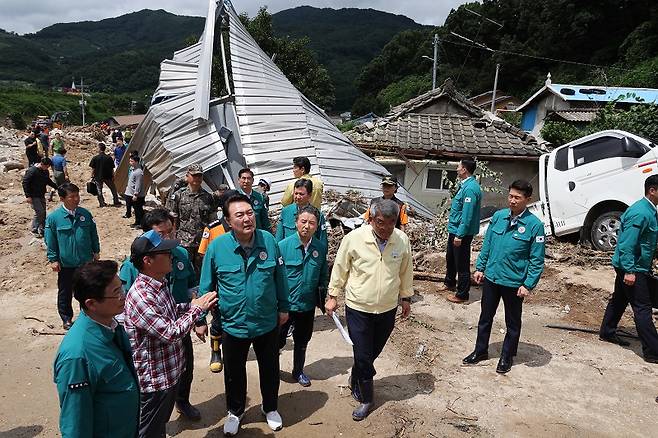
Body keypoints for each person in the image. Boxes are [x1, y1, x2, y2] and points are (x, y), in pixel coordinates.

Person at [199, 193, 290, 436]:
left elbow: (279, 278)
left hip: (266, 321)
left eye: (250, 213)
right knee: (234, 372)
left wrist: (284, 307)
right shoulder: (218, 246)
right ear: (228, 221)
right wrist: (199, 319)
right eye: (239, 215)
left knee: (270, 368)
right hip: (233, 323)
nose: (247, 218)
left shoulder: (268, 241)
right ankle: (235, 412)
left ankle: (270, 408)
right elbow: (206, 285)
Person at [123, 230, 217, 438]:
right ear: (147, 261)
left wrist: (191, 305)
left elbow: (170, 312)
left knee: (159, 428)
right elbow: (170, 332)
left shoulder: (159, 283)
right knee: (149, 432)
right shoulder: (142, 295)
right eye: (165, 253)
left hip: (169, 373)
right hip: (155, 381)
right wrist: (197, 310)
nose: (171, 256)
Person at [325, 198, 413, 421]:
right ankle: (367, 399)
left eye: (392, 222)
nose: (386, 228)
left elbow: (405, 271)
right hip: (358, 307)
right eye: (381, 222)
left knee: (371, 353)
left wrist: (406, 297)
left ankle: (357, 375)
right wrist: (333, 295)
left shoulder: (401, 240)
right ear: (372, 219)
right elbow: (340, 267)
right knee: (364, 355)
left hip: (386, 308)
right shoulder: (354, 238)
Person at [119, 209, 202, 420]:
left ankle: (182, 402)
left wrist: (198, 317)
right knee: (153, 403)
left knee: (185, 368)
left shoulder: (180, 254)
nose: (167, 237)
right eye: (161, 234)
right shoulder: (132, 268)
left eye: (169, 232)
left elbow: (192, 287)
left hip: (181, 323)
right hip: (153, 341)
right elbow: (124, 307)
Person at [463, 180, 545, 374]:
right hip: (492, 278)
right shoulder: (499, 217)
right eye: (510, 196)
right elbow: (487, 245)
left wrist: (528, 284)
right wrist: (480, 267)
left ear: (528, 199)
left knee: (512, 322)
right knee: (485, 317)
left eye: (517, 197)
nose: (512, 201)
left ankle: (507, 356)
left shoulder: (535, 226)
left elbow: (537, 259)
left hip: (514, 282)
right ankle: (480, 350)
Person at [53, 260, 139, 438]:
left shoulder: (111, 326)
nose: (123, 296)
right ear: (91, 304)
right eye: (116, 293)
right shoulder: (77, 356)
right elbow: (75, 424)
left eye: (121, 288)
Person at [599, 175, 658, 363]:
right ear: (652, 190)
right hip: (632, 267)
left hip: (634, 265)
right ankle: (652, 351)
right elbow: (626, 245)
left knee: (620, 298)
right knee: (642, 307)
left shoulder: (649, 210)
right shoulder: (641, 212)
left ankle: (607, 331)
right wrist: (630, 271)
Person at [278, 205, 329, 387]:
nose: (307, 226)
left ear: (317, 226)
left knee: (302, 341)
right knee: (277, 341)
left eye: (312, 223)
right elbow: (274, 277)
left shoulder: (320, 249)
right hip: (285, 306)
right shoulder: (282, 247)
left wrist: (325, 296)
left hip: (306, 307)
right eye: (303, 221)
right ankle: (272, 369)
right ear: (296, 223)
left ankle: (298, 371)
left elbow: (323, 275)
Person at [45, 183, 101, 329]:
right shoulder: (54, 218)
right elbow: (50, 241)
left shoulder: (85, 214)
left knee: (87, 289)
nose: (76, 199)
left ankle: (87, 316)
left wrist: (96, 250)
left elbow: (93, 234)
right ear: (62, 199)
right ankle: (66, 319)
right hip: (66, 263)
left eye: (77, 195)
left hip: (85, 261)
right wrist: (53, 259)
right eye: (72, 196)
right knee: (65, 292)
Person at [197, 188, 239, 373]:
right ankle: (216, 351)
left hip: (239, 281)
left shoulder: (249, 230)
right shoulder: (213, 229)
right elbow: (203, 257)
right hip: (219, 283)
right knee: (218, 320)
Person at [167, 164, 222, 273]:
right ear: (187, 176)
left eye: (199, 176)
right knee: (182, 271)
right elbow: (173, 219)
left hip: (202, 242)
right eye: (194, 175)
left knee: (201, 272)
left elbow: (212, 220)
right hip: (183, 242)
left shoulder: (208, 197)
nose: (197, 178)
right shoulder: (178, 195)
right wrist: (172, 238)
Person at [444, 158, 482, 303]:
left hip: (462, 232)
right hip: (454, 228)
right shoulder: (464, 185)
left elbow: (467, 215)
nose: (457, 168)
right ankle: (450, 283)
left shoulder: (471, 188)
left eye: (459, 166)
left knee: (462, 263)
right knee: (451, 258)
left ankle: (462, 294)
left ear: (464, 169)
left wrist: (460, 234)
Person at [275, 179, 328, 245]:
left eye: (301, 194)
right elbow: (278, 239)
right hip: (289, 252)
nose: (298, 197)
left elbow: (323, 243)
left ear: (309, 195)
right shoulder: (286, 211)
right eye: (296, 193)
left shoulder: (318, 215)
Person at [22, 157, 58, 237]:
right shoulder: (32, 171)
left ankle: (42, 229)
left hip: (41, 194)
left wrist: (57, 187)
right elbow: (25, 183)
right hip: (33, 195)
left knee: (43, 212)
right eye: (47, 166)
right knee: (39, 212)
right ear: (42, 164)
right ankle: (34, 229)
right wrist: (28, 196)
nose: (47, 168)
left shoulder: (45, 171)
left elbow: (47, 180)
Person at [237, 168, 271, 232]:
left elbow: (265, 220)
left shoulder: (259, 197)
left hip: (258, 234)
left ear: (252, 180)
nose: (246, 181)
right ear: (239, 180)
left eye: (249, 178)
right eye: (243, 178)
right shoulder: (234, 198)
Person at [89, 143, 121, 208]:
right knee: (113, 189)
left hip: (98, 177)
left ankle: (102, 203)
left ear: (99, 149)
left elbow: (93, 169)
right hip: (108, 176)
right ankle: (116, 201)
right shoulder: (109, 158)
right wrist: (113, 176)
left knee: (99, 190)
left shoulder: (95, 158)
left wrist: (91, 176)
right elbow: (112, 168)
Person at [124, 155, 146, 228]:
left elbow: (138, 184)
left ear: (136, 162)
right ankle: (137, 222)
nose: (130, 163)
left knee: (138, 210)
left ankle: (141, 223)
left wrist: (136, 194)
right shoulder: (133, 169)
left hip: (136, 195)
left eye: (132, 161)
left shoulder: (138, 172)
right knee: (135, 209)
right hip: (130, 193)